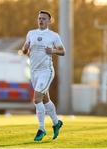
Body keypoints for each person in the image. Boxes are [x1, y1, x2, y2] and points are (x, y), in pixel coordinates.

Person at [22, 10, 65, 141]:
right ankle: (56, 123)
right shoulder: (31, 33)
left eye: (44, 18)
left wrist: (52, 50)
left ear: (49, 21)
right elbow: (24, 49)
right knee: (45, 100)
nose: (41, 20)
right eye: (39, 18)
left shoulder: (53, 36)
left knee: (36, 99)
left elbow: (63, 51)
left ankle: (41, 129)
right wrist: (25, 49)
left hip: (46, 71)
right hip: (34, 72)